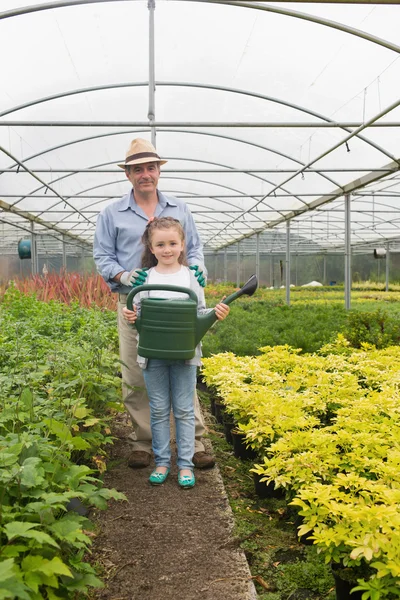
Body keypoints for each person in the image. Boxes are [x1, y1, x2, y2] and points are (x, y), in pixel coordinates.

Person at [93, 138, 213, 469]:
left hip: (178, 301)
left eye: (151, 167)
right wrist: (123, 275)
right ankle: (143, 442)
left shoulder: (180, 209)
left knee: (185, 365)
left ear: (159, 171)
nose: (145, 174)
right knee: (136, 370)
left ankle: (197, 442)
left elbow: (196, 248)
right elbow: (102, 256)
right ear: (128, 174)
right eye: (137, 169)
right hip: (136, 305)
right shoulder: (111, 213)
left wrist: (199, 267)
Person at [122, 217, 230, 488]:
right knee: (158, 410)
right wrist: (130, 315)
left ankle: (185, 464)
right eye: (160, 244)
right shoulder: (146, 277)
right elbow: (139, 315)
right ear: (151, 246)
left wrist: (215, 314)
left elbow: (200, 313)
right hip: (153, 355)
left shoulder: (191, 277)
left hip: (185, 354)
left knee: (183, 409)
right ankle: (161, 462)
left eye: (172, 243)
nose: (167, 249)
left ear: (182, 245)